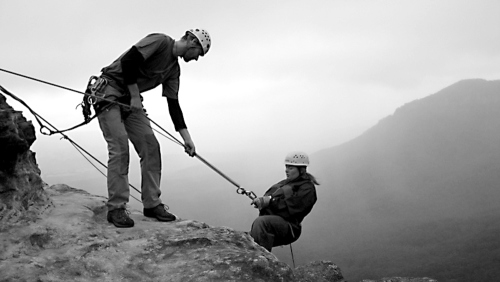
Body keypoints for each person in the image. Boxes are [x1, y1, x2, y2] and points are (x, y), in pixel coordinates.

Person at [89, 29, 211, 228]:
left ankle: (152, 204)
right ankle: (117, 208)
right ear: (191, 41)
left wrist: (186, 138)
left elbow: (173, 104)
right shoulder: (161, 41)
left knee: (151, 147)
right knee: (120, 149)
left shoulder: (173, 70)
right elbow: (129, 61)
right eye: (199, 53)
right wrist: (135, 96)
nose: (197, 58)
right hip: (110, 91)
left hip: (130, 99)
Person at [250, 151, 318, 251]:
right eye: (286, 167)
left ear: (301, 170)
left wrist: (269, 202)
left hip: (290, 228)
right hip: (276, 223)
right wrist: (262, 201)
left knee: (261, 223)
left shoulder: (307, 189)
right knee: (246, 238)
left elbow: (293, 208)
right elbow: (271, 197)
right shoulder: (285, 183)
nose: (286, 170)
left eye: (290, 168)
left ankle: (261, 261)